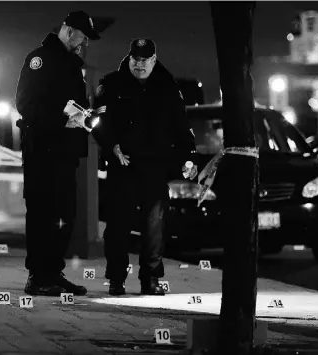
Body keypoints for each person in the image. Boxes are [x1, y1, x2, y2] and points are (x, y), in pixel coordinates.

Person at [92, 38, 198, 296]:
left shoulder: (168, 86)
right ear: (129, 58)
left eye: (144, 60)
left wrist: (188, 156)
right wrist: (112, 146)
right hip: (123, 164)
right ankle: (116, 279)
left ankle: (151, 278)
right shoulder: (112, 84)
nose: (139, 65)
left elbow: (181, 126)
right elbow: (98, 121)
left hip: (155, 165)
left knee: (154, 226)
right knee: (118, 225)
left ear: (153, 59)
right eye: (135, 59)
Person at [15, 11, 101, 296]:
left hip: (64, 151)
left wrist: (84, 116)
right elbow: (25, 104)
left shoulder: (70, 63)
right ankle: (38, 276)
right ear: (68, 31)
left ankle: (53, 271)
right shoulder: (39, 59)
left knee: (65, 213)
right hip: (42, 150)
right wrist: (62, 119)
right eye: (82, 36)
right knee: (43, 213)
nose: (84, 43)